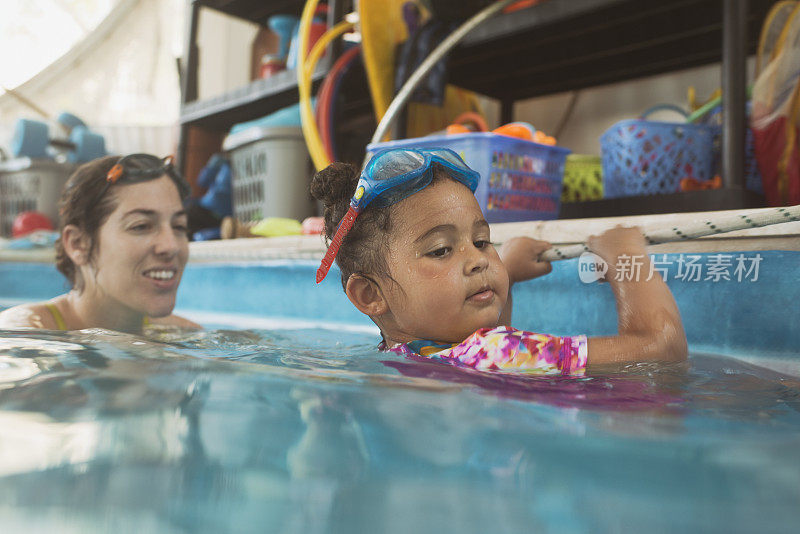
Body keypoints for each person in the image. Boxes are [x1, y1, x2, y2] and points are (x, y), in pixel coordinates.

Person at [310, 148, 687, 375]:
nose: (477, 260)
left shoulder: (401, 359)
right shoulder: (496, 355)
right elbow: (661, 350)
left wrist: (506, 272)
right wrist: (625, 256)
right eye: (441, 250)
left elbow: (485, 347)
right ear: (368, 294)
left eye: (481, 241)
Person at [0, 154, 200, 333]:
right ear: (78, 244)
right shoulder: (24, 336)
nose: (171, 245)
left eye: (179, 226)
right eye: (141, 226)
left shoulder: (185, 334)